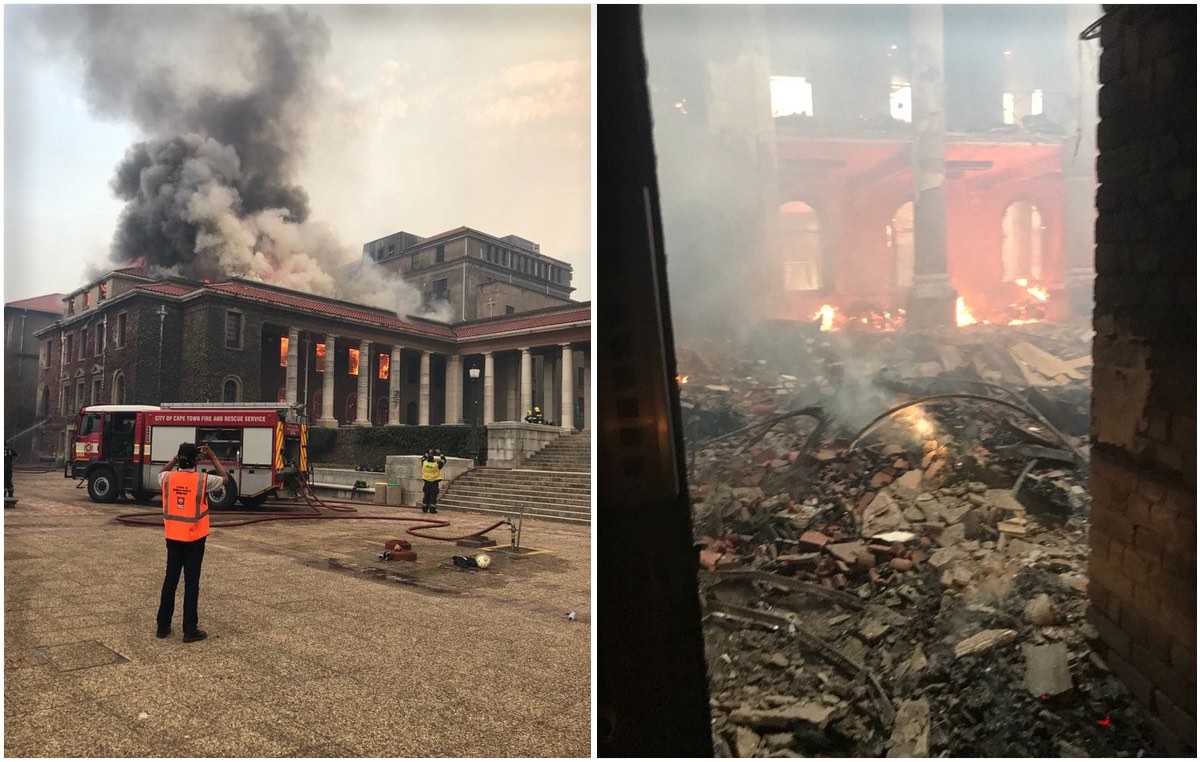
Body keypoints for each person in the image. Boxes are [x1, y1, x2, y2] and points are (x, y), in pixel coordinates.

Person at [156, 442, 229, 642]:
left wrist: (173, 460)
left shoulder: (167, 478)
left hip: (172, 537)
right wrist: (213, 457)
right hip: (195, 539)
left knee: (169, 581)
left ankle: (162, 627)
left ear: (179, 459)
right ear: (196, 461)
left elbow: (160, 474)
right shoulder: (203, 480)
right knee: (191, 583)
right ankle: (190, 630)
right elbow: (225, 479)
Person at [421, 449, 447, 514]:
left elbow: (422, 458)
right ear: (433, 459)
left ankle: (424, 508)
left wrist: (428, 452)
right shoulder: (436, 465)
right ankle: (432, 509)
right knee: (433, 496)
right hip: (434, 483)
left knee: (426, 495)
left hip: (426, 482)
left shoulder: (424, 463)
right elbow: (444, 460)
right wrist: (440, 453)